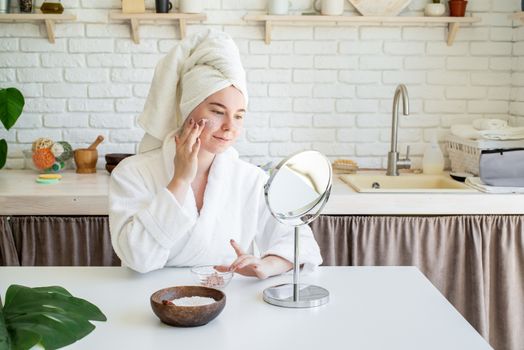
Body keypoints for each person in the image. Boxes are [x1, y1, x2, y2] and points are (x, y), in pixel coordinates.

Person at [109, 30, 322, 278]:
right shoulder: (133, 173)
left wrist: (268, 264)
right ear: (188, 110)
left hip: (225, 298)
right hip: (148, 302)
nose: (230, 126)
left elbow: (300, 242)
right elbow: (137, 258)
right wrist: (179, 180)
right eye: (218, 112)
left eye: (239, 115)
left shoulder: (251, 179)